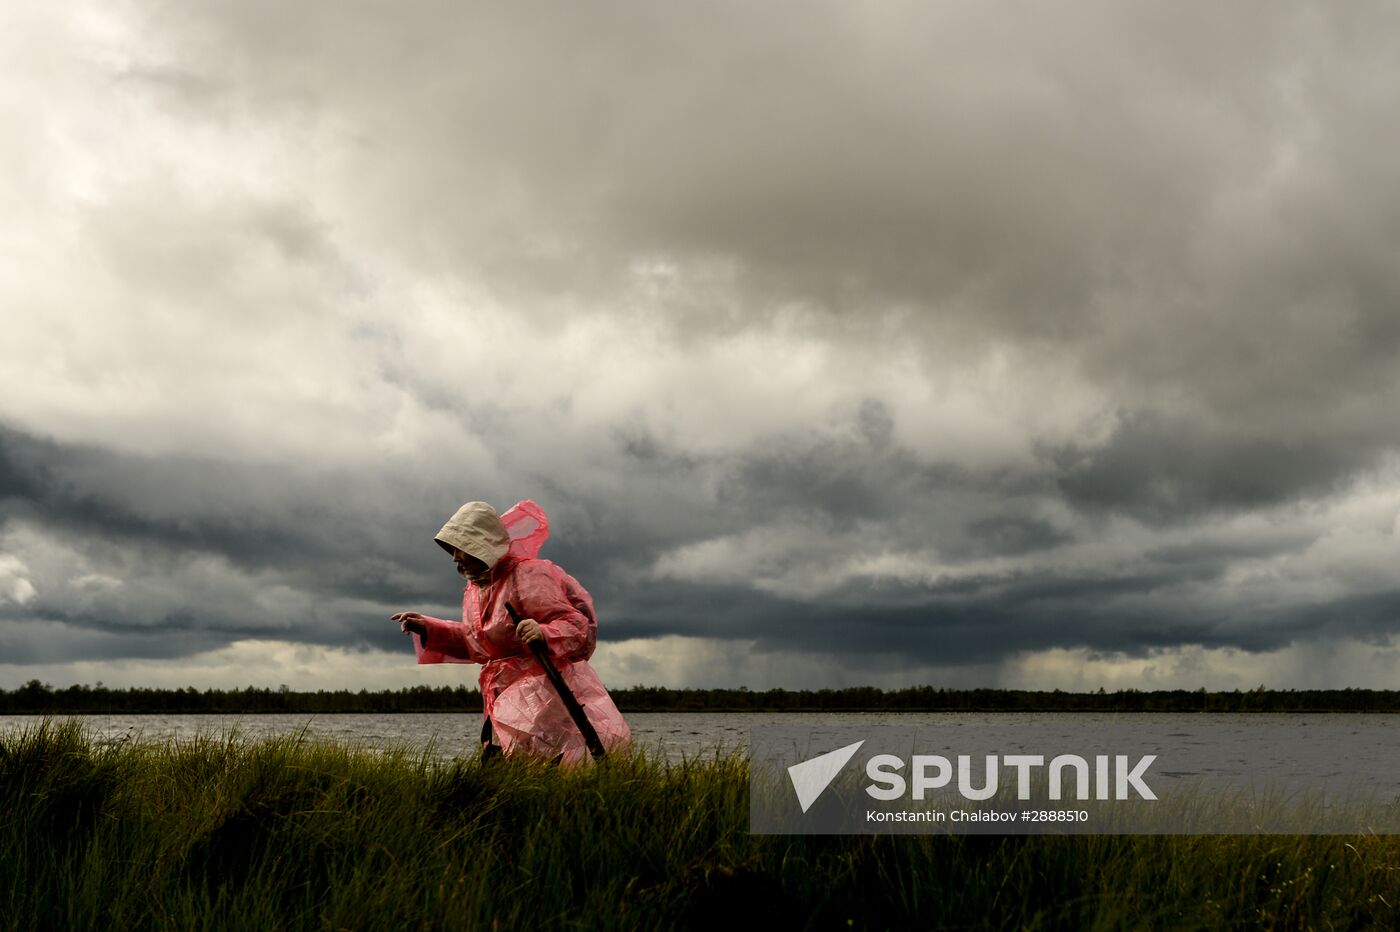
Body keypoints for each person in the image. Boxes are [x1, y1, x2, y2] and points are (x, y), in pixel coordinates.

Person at [391, 499, 631, 763]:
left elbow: (577, 626)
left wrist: (543, 632)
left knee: (554, 767)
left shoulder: (527, 575)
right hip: (503, 699)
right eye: (453, 549)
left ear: (482, 545)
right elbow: (482, 643)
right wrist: (429, 628)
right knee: (514, 771)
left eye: (462, 547)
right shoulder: (476, 589)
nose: (456, 557)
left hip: (546, 697)